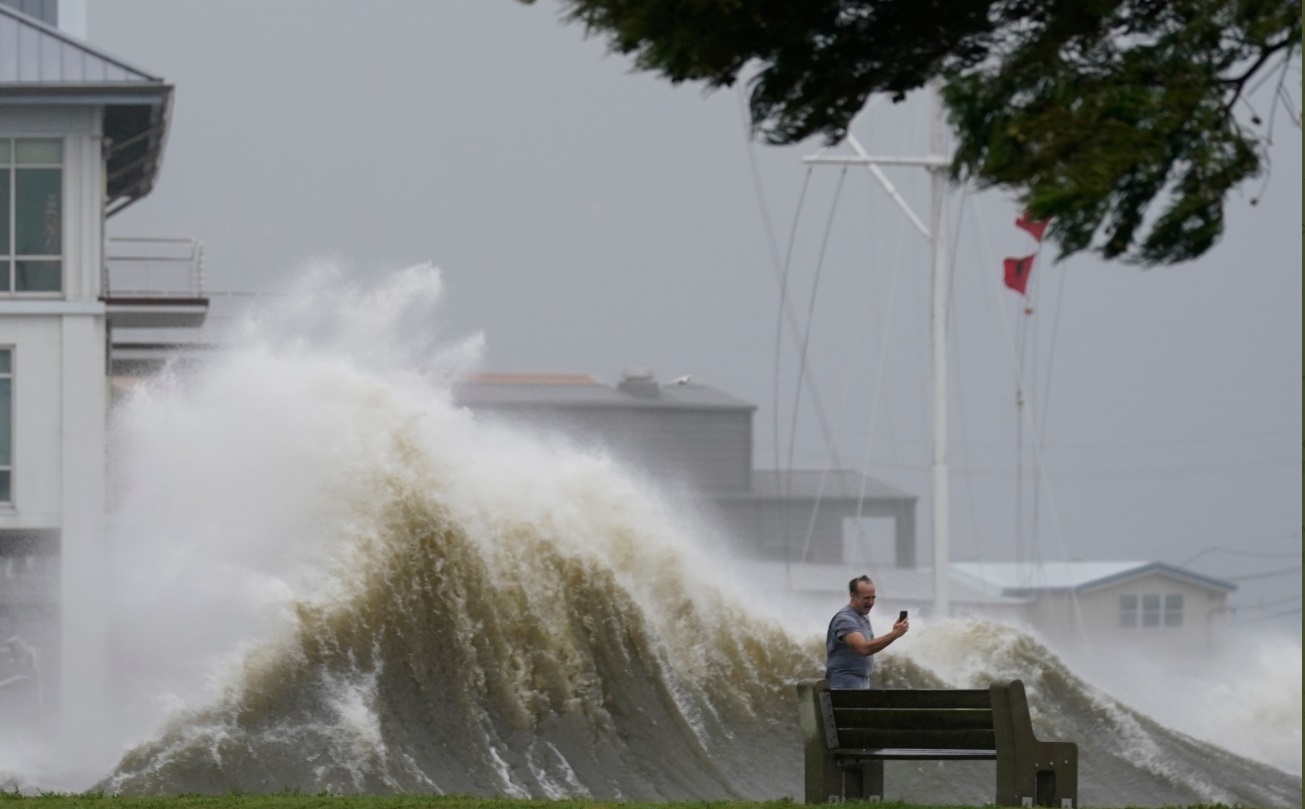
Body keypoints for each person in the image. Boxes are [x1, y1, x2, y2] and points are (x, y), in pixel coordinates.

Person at [825, 575, 908, 688]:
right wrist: (894, 634)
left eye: (873, 598)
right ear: (852, 595)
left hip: (860, 685)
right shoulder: (845, 619)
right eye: (866, 598)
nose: (870, 602)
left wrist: (894, 631)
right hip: (843, 688)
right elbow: (863, 648)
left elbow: (870, 646)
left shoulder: (862, 616)